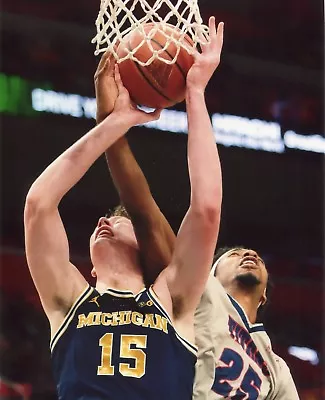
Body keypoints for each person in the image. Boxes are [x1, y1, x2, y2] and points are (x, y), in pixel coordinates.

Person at [24, 17, 224, 400]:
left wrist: (195, 93)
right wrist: (114, 123)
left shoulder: (172, 298)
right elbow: (38, 205)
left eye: (121, 219)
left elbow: (207, 209)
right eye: (110, 218)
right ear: (91, 267)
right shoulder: (68, 299)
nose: (104, 220)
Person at [97, 26, 299, 400]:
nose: (246, 253)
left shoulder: (277, 369)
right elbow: (151, 207)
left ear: (267, 295)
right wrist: (112, 124)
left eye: (246, 254)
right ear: (206, 268)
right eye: (231, 254)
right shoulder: (197, 293)